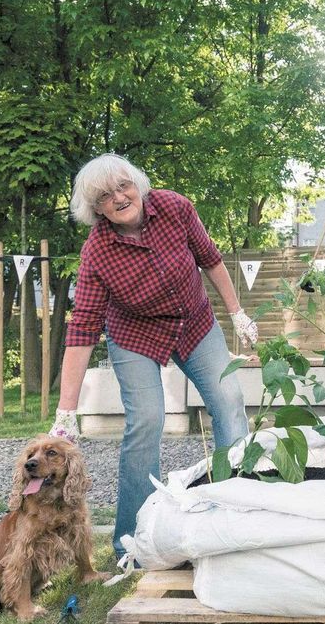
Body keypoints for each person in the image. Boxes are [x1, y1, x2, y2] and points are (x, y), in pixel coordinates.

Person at [49, 153, 256, 561]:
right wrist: (65, 413)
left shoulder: (175, 207)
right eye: (106, 196)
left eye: (123, 186)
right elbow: (83, 329)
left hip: (194, 321)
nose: (119, 197)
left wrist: (237, 312)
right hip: (134, 333)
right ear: (97, 210)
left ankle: (236, 511)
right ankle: (132, 543)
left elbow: (211, 260)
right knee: (146, 420)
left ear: (137, 184)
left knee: (229, 402)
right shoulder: (97, 253)